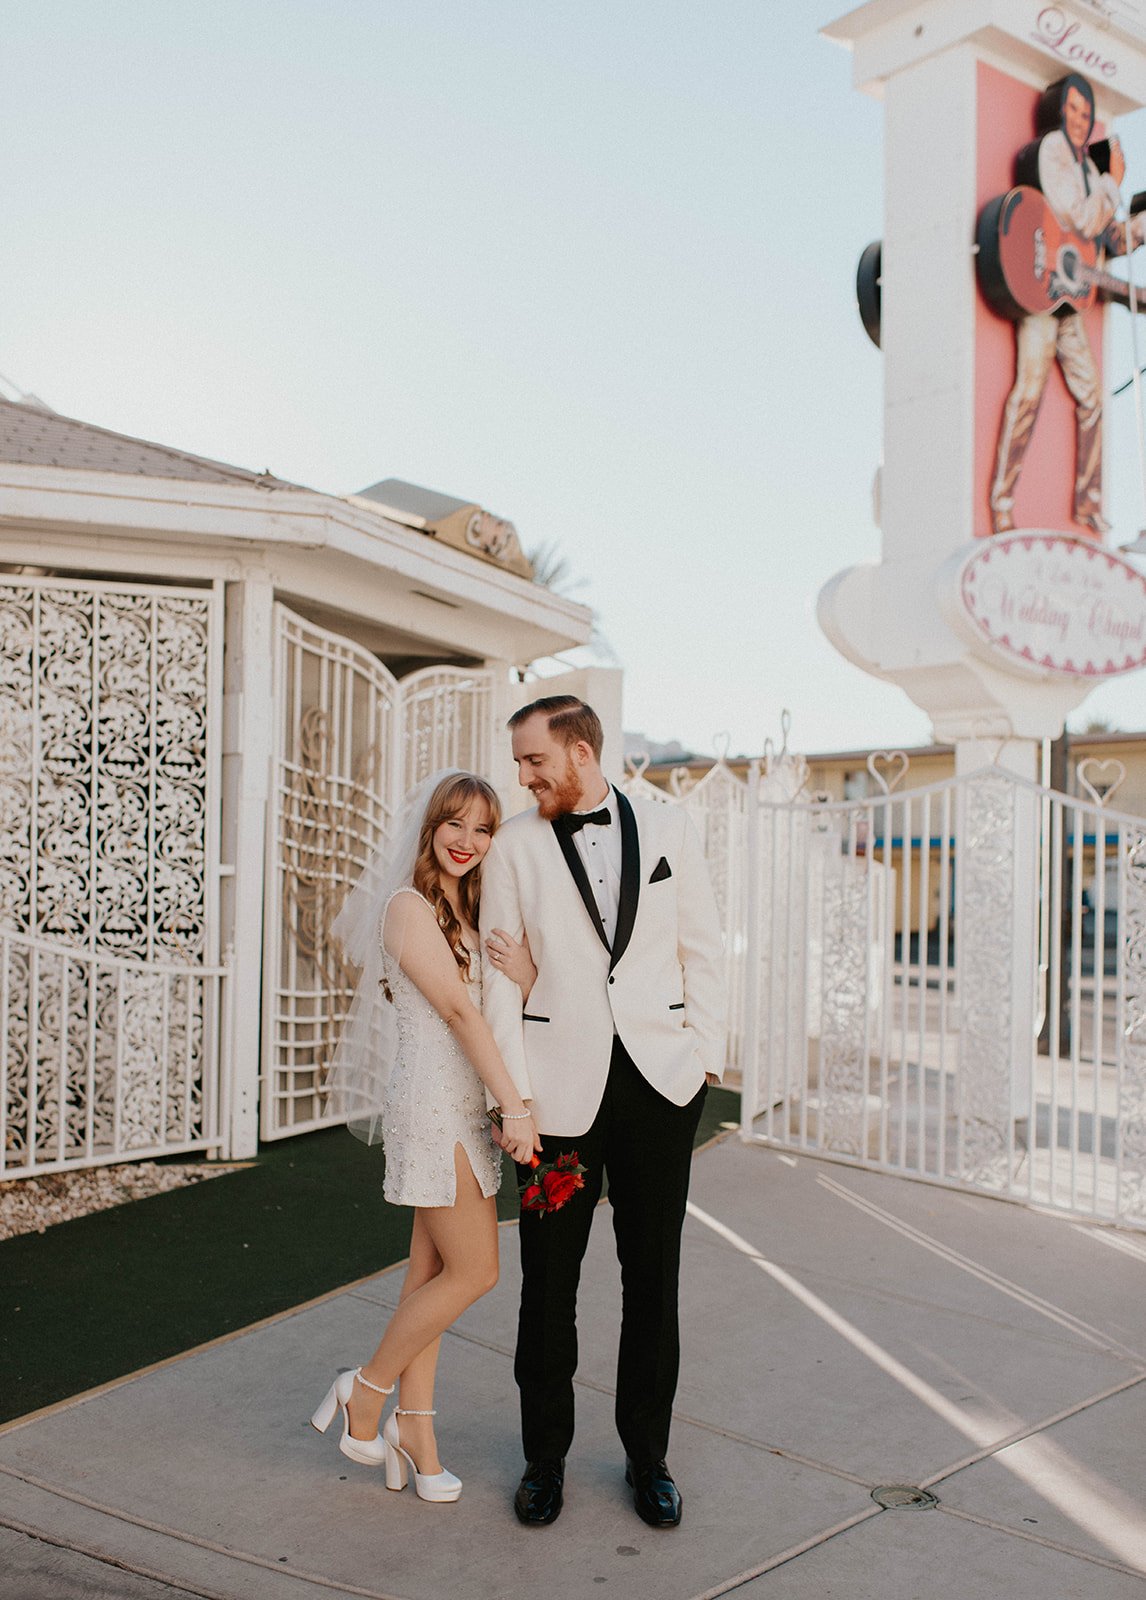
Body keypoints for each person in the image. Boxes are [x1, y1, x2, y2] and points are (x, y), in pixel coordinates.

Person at [479, 696, 726, 1529]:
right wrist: (513, 1100)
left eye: (534, 760)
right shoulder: (514, 846)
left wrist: (704, 1060)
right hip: (555, 1103)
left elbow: (702, 948)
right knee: (547, 1287)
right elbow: (497, 983)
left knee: (653, 1282)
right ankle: (543, 1460)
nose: (523, 776)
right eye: (520, 762)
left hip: (661, 1090)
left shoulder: (669, 828)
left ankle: (648, 1459)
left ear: (580, 752)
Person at [312, 769, 540, 1503]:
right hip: (434, 1110)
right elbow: (462, 1015)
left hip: (465, 1109)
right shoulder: (408, 908)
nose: (467, 840)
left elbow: (502, 1006)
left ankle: (416, 1434)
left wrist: (525, 971)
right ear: (431, 826)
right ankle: (365, 1388)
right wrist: (516, 1108)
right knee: (477, 1272)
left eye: (483, 828)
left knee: (429, 1276)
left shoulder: (469, 913)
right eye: (455, 823)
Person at [990, 72, 1144, 536]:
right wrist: (1113, 182)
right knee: (1028, 392)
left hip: (1070, 302)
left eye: (1086, 112)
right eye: (1073, 109)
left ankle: (1089, 504)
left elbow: (1105, 237)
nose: (1080, 120)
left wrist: (1138, 226)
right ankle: (1001, 501)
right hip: (1041, 290)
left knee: (1093, 398)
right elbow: (1077, 217)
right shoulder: (1055, 149)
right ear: (1060, 110)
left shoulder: (1090, 172)